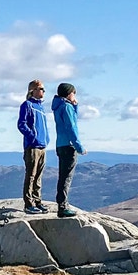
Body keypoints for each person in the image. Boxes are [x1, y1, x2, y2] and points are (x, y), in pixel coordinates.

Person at [51, 82, 86, 217]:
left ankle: (62, 204)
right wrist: (79, 147)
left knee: (62, 176)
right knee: (67, 177)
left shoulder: (59, 106)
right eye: (73, 93)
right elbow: (71, 127)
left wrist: (75, 106)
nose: (74, 96)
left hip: (60, 144)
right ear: (69, 93)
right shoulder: (66, 107)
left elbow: (71, 121)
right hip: (68, 145)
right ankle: (63, 206)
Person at [15, 80, 50, 213]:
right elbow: (21, 124)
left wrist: (46, 139)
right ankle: (29, 204)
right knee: (31, 175)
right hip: (32, 146)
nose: (43, 92)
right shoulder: (27, 105)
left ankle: (37, 201)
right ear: (33, 90)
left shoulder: (41, 107)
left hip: (42, 146)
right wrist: (32, 136)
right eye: (41, 89)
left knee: (38, 176)